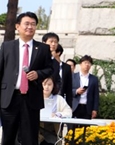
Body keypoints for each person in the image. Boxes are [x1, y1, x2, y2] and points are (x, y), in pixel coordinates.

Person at [0, 11, 54, 145]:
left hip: (31, 99)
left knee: (29, 138)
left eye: (33, 24)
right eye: (27, 24)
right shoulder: (7, 46)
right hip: (9, 98)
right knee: (8, 138)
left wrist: (38, 74)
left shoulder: (42, 48)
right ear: (18, 26)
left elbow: (50, 69)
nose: (30, 27)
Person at [39, 75, 72, 145]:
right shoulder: (35, 98)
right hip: (37, 131)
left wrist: (57, 114)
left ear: (53, 85)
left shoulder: (58, 99)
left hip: (52, 131)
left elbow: (69, 112)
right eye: (44, 84)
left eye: (49, 84)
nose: (46, 87)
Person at [72, 55, 100, 120]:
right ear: (80, 64)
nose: (87, 65)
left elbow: (96, 95)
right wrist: (76, 91)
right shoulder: (73, 77)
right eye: (85, 63)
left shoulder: (94, 79)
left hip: (87, 108)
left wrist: (95, 109)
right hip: (75, 106)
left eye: (89, 63)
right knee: (72, 128)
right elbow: (67, 91)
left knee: (85, 128)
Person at [41, 32, 65, 105]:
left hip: (51, 97)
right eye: (51, 41)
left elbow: (57, 78)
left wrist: (55, 90)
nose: (54, 44)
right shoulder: (38, 58)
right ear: (44, 42)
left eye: (56, 42)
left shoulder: (56, 61)